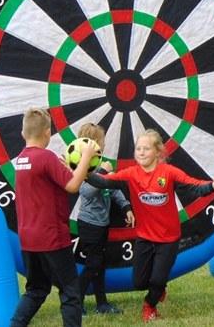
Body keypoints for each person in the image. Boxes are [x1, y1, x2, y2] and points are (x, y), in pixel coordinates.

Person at [87, 129, 214, 322]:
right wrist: (80, 169)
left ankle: (150, 305)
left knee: (157, 280)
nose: (141, 152)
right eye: (138, 149)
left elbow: (195, 187)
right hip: (145, 237)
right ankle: (158, 288)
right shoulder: (130, 174)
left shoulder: (169, 172)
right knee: (138, 282)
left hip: (168, 238)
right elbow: (102, 182)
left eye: (146, 149)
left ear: (158, 152)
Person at [10, 108, 96, 327]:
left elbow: (49, 184)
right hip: (52, 237)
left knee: (36, 289)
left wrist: (66, 170)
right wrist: (86, 157)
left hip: (28, 238)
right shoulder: (46, 157)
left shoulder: (21, 160)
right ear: (48, 133)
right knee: (70, 291)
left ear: (23, 133)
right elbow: (73, 185)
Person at [73, 123, 135, 316]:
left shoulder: (100, 165)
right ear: (92, 145)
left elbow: (113, 188)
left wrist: (126, 207)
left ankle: (102, 304)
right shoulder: (81, 167)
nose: (104, 145)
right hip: (89, 224)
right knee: (93, 264)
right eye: (102, 142)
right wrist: (103, 173)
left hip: (102, 224)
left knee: (99, 265)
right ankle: (75, 301)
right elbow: (87, 191)